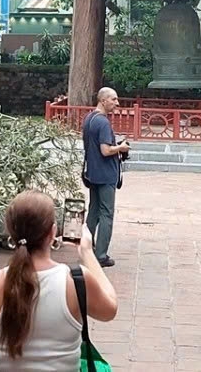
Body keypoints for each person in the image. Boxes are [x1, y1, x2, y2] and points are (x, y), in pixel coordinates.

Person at [0, 191, 119, 371]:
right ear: (53, 231)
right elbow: (109, 310)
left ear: (11, 231)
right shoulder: (75, 280)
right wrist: (87, 252)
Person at [82, 87, 129, 267]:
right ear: (103, 100)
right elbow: (105, 150)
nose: (117, 103)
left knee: (93, 210)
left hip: (92, 172)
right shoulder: (102, 123)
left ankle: (85, 248)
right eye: (113, 99)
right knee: (106, 213)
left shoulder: (89, 118)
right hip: (105, 174)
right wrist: (121, 148)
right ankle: (101, 255)